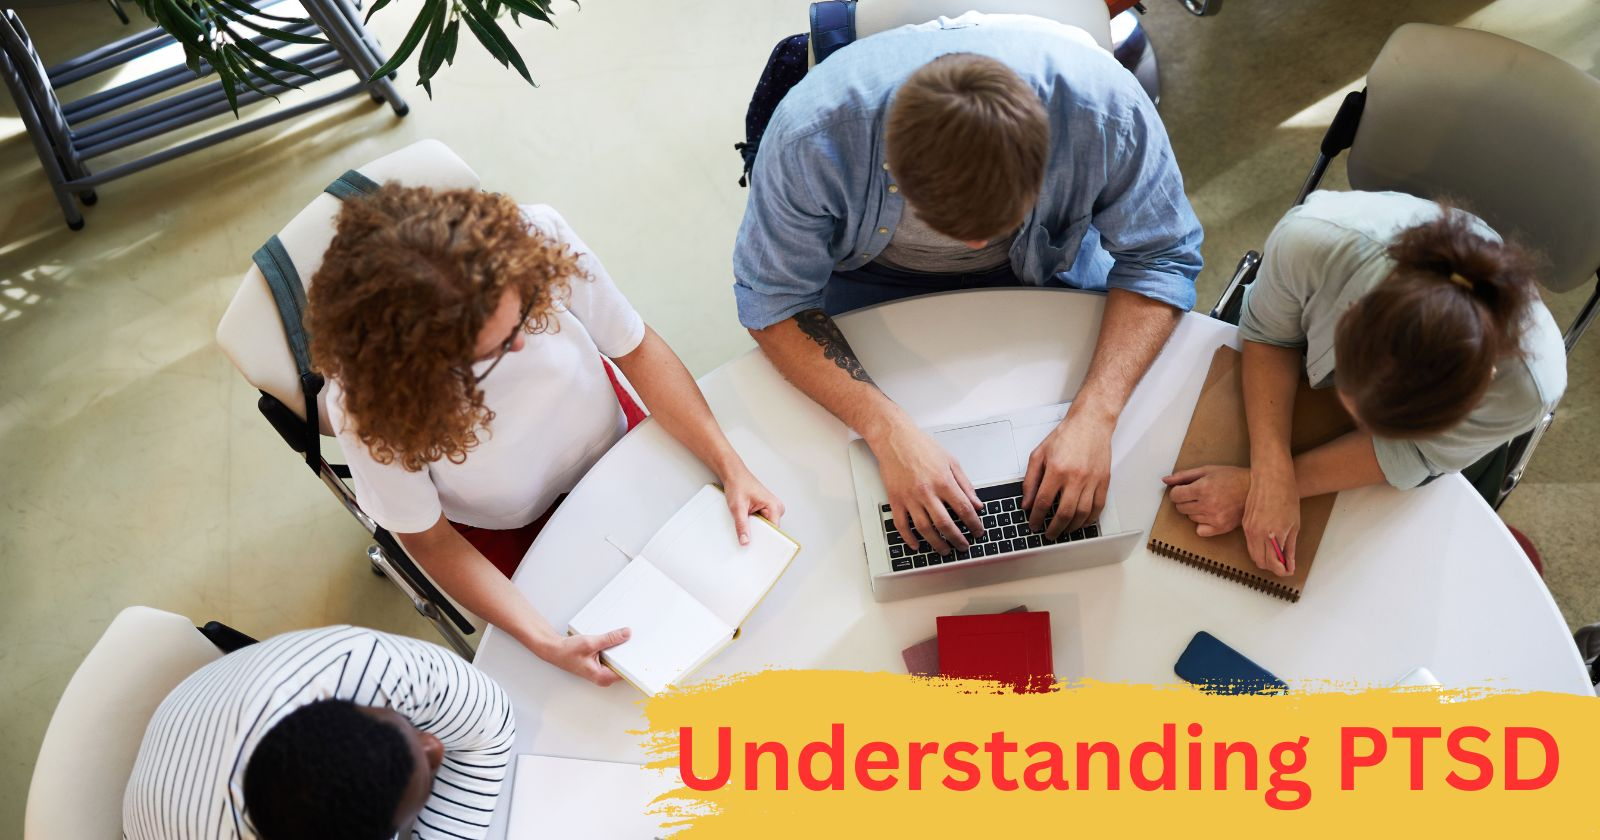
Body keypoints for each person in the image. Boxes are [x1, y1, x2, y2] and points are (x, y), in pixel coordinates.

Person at [732, 13, 1202, 556]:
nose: (977, 247)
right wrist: (887, 432)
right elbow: (774, 301)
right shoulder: (809, 141)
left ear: (1046, 160)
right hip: (869, 276)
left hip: (1046, 268)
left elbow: (1161, 254)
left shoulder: (1107, 115)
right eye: (946, 224)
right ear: (891, 164)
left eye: (998, 223)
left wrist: (1097, 416)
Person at [307, 185, 784, 686]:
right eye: (487, 353)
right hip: (503, 525)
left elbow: (634, 348)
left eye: (523, 310)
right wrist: (546, 641)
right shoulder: (368, 404)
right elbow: (429, 540)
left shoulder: (535, 236)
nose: (520, 343)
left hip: (611, 438)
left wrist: (730, 465)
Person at [1163, 190, 1566, 576]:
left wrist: (1268, 486)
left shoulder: (1528, 388)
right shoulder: (1310, 241)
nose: (1360, 426)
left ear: (1482, 387)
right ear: (1350, 314)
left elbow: (1414, 454)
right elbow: (1269, 336)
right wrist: (1270, 476)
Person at [121, 625, 514, 840]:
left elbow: (490, 727)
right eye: (424, 781)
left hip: (197, 721)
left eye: (400, 725)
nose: (434, 747)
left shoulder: (358, 664)